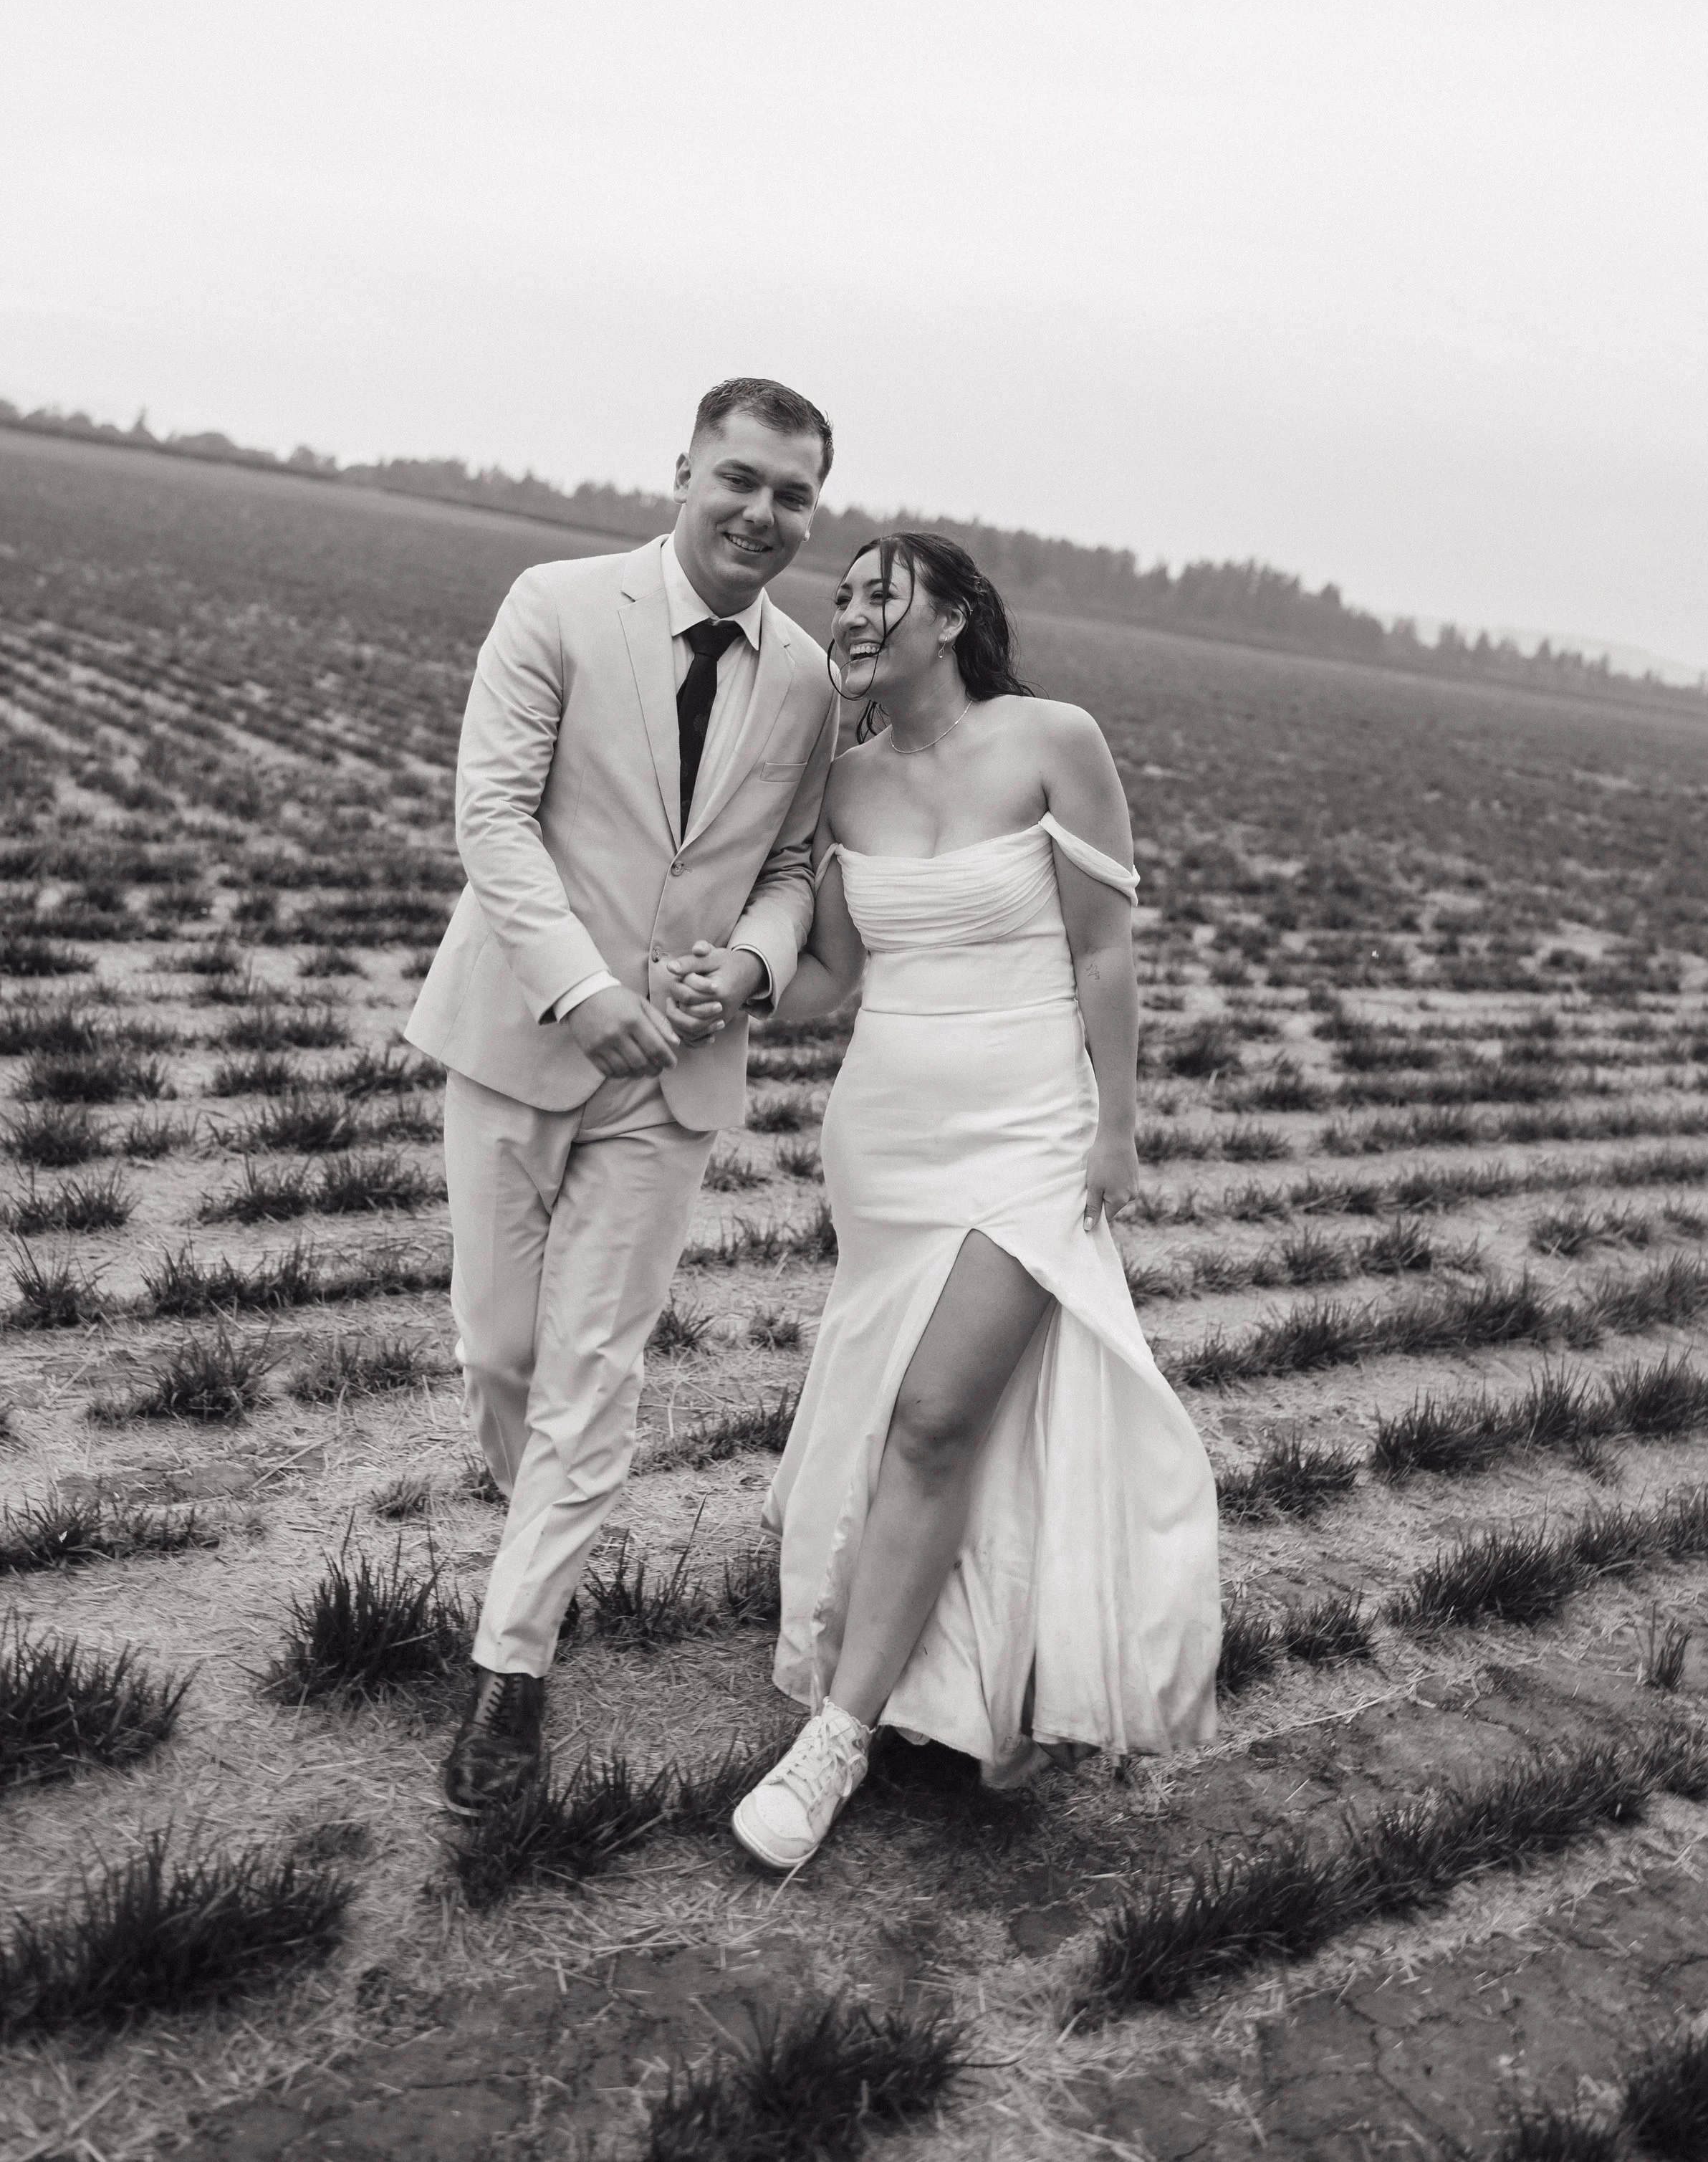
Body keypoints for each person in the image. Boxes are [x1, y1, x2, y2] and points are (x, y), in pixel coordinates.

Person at [712, 532, 1221, 1875]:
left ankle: (836, 1739)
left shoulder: (1056, 740)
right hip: (888, 1142)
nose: (852, 612)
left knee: (936, 1418)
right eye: (844, 596)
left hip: (1031, 1131)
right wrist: (731, 984)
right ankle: (984, 1672)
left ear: (953, 616)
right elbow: (834, 975)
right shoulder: (846, 781)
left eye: (881, 592)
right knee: (918, 1415)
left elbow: (1103, 949)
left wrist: (1117, 1126)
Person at [406, 378, 838, 1812]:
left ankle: (511, 1667)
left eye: (792, 495)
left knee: (594, 1369)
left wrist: (754, 965)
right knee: (501, 1353)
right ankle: (541, 1543)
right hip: (522, 1032)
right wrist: (582, 990)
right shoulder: (555, 603)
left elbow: (791, 866)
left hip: (676, 1076)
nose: (762, 513)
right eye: (741, 479)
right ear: (684, 473)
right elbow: (492, 818)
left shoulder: (809, 679)